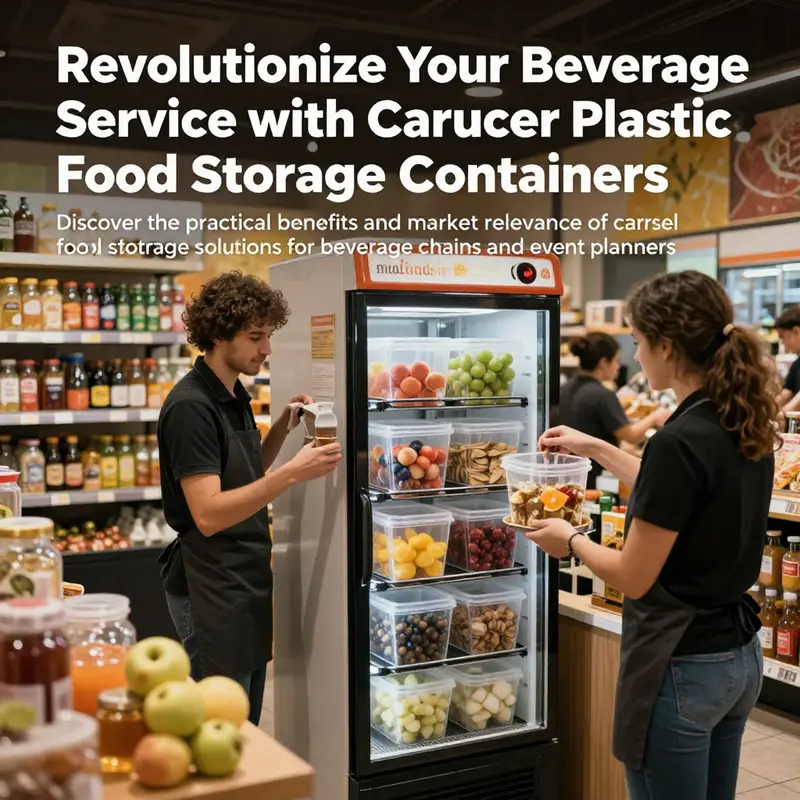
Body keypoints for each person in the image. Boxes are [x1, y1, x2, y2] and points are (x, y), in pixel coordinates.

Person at [529, 271, 777, 800]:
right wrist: (596, 447)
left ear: (666, 345)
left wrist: (568, 539)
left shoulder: (678, 441)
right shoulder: (739, 419)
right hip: (737, 658)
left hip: (680, 664)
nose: (635, 356)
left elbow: (632, 577)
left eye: (638, 343)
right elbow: (681, 493)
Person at [157, 271, 342, 725]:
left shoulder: (232, 392)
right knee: (225, 728)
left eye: (268, 335)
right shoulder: (191, 408)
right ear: (220, 335)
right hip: (209, 585)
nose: (267, 349)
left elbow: (243, 470)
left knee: (250, 725)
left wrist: (283, 425)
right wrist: (292, 475)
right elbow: (207, 513)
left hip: (243, 579)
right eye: (256, 336)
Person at [558, 332, 671, 488]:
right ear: (604, 362)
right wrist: (655, 417)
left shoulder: (565, 389)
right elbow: (631, 435)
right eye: (616, 361)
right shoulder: (603, 395)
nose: (618, 367)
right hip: (593, 478)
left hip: (564, 473)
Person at [775, 306, 800, 410]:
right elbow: (786, 394)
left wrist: (784, 412)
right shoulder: (797, 364)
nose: (783, 343)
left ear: (796, 331)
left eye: (783, 337)